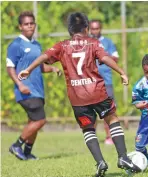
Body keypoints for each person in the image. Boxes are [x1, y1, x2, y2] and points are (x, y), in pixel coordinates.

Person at [18, 12, 141, 177]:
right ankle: (123, 158)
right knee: (112, 119)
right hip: (97, 92)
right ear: (87, 27)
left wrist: (28, 69)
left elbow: (44, 56)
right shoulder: (93, 43)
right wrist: (122, 72)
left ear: (69, 30)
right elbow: (105, 59)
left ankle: (100, 162)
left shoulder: (62, 46)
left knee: (88, 128)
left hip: (77, 98)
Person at [6, 11, 61, 161]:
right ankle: (16, 146)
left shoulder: (36, 45)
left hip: (38, 90)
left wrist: (53, 69)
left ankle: (27, 152)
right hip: (26, 90)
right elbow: (10, 68)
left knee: (33, 122)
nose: (29, 26)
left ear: (35, 25)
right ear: (20, 27)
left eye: (32, 23)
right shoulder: (16, 45)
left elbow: (40, 67)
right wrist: (20, 84)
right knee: (40, 120)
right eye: (26, 24)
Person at [90, 19, 119, 145]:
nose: (95, 31)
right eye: (93, 28)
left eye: (97, 28)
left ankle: (109, 137)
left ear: (100, 29)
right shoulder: (87, 43)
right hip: (90, 82)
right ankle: (92, 137)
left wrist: (105, 58)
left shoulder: (108, 42)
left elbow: (116, 57)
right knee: (91, 111)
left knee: (108, 111)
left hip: (106, 81)